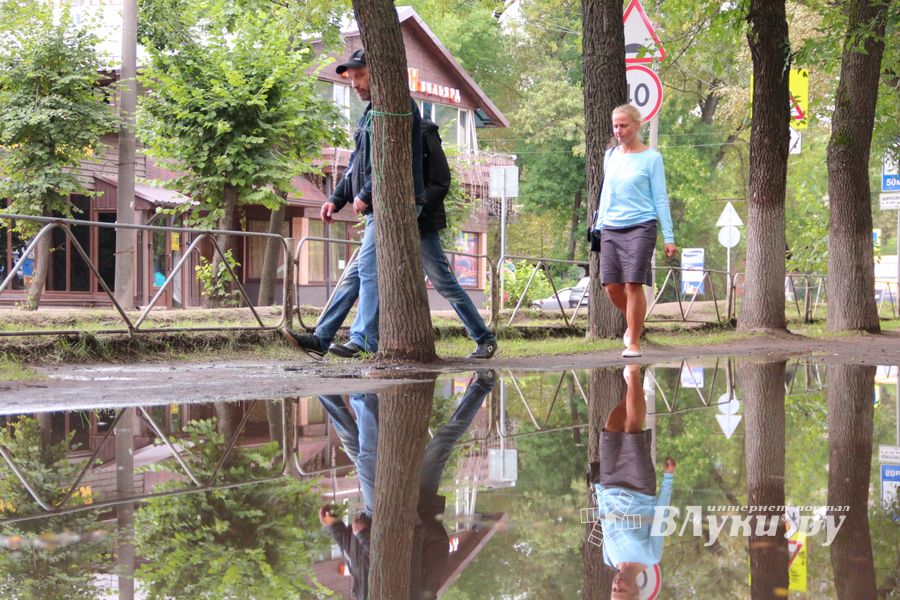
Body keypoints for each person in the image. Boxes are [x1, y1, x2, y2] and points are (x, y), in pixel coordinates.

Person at [282, 49, 497, 360]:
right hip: (380, 210)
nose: (354, 84)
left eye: (360, 75)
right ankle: (322, 337)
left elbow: (402, 168)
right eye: (351, 78)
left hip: (413, 217)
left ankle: (366, 339)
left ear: (380, 74)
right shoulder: (369, 116)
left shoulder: (411, 121)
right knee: (358, 272)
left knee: (438, 282)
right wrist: (336, 198)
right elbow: (358, 164)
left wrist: (380, 199)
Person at [317, 370, 496, 599]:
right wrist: (415, 521)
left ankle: (326, 387)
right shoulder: (420, 594)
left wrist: (333, 524)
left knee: (359, 450)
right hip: (411, 510)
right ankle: (483, 384)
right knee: (440, 444)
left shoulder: (361, 596)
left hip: (380, 514)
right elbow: (405, 561)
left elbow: (358, 563)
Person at [591, 104, 676, 358]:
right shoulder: (611, 156)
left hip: (641, 225)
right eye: (616, 125)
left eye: (624, 125)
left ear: (637, 125)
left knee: (632, 282)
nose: (619, 130)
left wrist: (669, 237)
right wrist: (599, 225)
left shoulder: (651, 158)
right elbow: (606, 193)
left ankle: (634, 342)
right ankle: (634, 323)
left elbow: (660, 198)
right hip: (611, 227)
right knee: (611, 286)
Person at [588, 365, 676, 599]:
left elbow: (605, 522)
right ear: (636, 591)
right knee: (631, 430)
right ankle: (635, 372)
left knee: (611, 428)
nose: (616, 585)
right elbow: (661, 515)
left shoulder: (610, 558)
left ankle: (632, 386)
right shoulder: (651, 556)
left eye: (613, 590)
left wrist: (597, 488)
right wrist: (668, 478)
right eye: (622, 590)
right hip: (639, 487)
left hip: (610, 484)